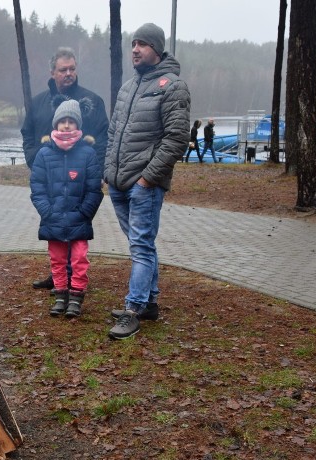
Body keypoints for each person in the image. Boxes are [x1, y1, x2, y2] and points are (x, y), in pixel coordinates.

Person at [103, 23, 190, 340]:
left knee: (140, 246)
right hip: (118, 183)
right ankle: (150, 302)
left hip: (144, 186)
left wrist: (146, 180)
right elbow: (113, 134)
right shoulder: (128, 88)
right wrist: (108, 172)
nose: (135, 49)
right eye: (133, 44)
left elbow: (177, 139)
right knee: (140, 244)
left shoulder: (172, 86)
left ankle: (134, 309)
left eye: (142, 44)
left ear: (157, 48)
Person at [21, 46, 109, 290]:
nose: (68, 73)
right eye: (63, 69)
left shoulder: (92, 101)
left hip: (81, 180)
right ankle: (58, 275)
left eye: (72, 68)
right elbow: (27, 134)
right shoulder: (38, 103)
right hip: (49, 179)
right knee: (54, 228)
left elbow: (103, 139)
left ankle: (74, 279)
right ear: (52, 72)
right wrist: (34, 161)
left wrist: (98, 171)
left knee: (76, 229)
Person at [29, 99, 103, 318]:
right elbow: (37, 187)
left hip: (79, 219)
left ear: (78, 125)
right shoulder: (44, 154)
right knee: (57, 259)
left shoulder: (88, 153)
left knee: (79, 259)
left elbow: (94, 189)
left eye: (71, 121)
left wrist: (83, 213)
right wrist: (47, 212)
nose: (67, 125)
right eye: (63, 121)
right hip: (53, 219)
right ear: (56, 124)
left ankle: (76, 296)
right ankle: (60, 294)